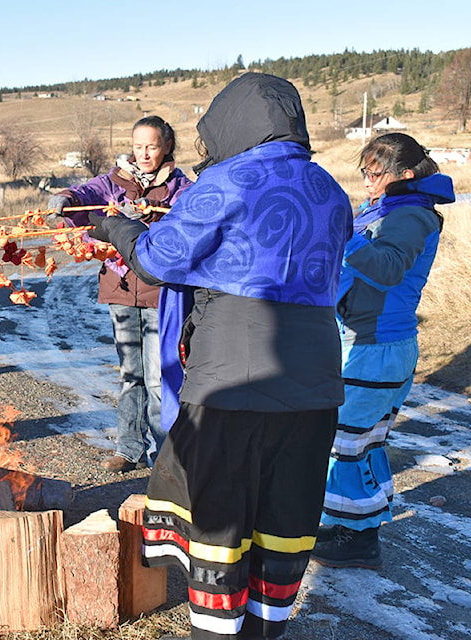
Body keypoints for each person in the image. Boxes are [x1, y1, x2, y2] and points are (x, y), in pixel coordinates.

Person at [90, 73, 353, 639]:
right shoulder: (330, 187)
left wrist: (116, 226)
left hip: (233, 376)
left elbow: (160, 259)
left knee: (220, 516)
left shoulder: (230, 179)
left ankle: (216, 632)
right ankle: (266, 630)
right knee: (282, 511)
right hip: (315, 378)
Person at [312, 134, 454, 570]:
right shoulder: (389, 209)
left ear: (405, 176)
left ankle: (356, 538)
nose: (368, 183)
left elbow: (388, 267)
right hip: (368, 339)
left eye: (376, 173)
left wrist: (343, 237)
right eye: (365, 173)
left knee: (347, 443)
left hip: (378, 344)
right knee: (359, 442)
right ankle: (350, 524)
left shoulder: (409, 214)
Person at [47, 116, 192, 471]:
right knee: (131, 374)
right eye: (139, 145)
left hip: (162, 293)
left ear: (166, 147)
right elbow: (84, 195)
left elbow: (193, 217)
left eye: (152, 146)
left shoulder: (180, 187)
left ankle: (164, 455)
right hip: (121, 288)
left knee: (160, 377)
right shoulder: (114, 181)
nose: (144, 153)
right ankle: (129, 447)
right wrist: (64, 198)